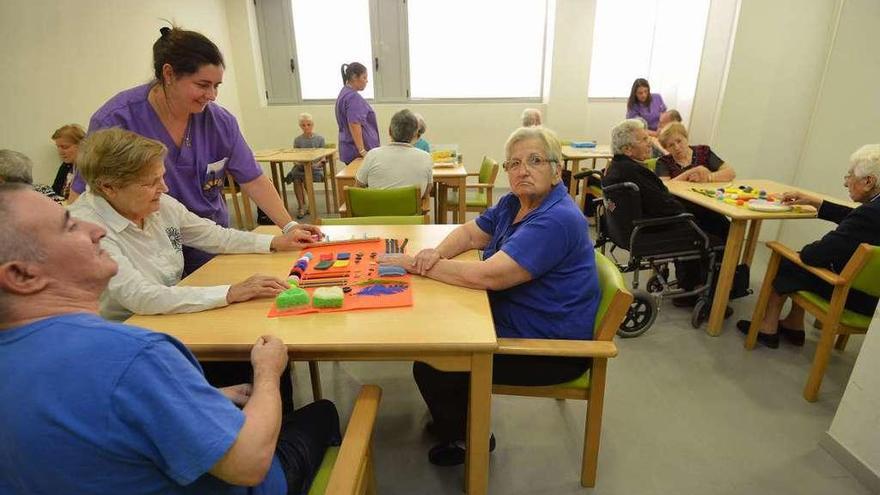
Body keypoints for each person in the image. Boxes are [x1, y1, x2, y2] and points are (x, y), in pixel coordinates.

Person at [0, 183, 341, 494]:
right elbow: (248, 465)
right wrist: (267, 372)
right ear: (21, 275)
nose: (97, 230)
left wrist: (191, 395)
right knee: (322, 412)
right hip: (247, 478)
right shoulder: (133, 354)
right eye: (69, 226)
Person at [380, 126, 600, 466]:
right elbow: (470, 234)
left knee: (434, 363)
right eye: (513, 163)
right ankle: (454, 421)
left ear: (557, 171)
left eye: (535, 160)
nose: (522, 170)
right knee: (436, 337)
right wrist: (434, 255)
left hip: (548, 348)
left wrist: (414, 265)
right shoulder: (515, 202)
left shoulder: (556, 219)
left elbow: (490, 276)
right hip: (518, 318)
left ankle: (470, 440)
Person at [68, 128, 315, 408]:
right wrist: (231, 292)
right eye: (151, 182)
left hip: (169, 323)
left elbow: (214, 235)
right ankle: (264, 440)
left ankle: (273, 433)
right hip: (127, 349)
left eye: (162, 177)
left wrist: (275, 241)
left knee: (262, 348)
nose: (165, 188)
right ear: (108, 187)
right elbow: (140, 296)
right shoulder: (86, 227)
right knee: (256, 362)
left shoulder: (157, 203)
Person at [68, 26, 316, 274]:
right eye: (202, 85)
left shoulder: (219, 122)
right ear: (168, 73)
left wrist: (289, 226)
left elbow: (253, 179)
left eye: (217, 86)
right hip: (146, 254)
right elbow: (83, 199)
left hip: (210, 244)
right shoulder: (116, 120)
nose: (212, 95)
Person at [737, 145, 880, 348]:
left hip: (851, 298)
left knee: (789, 260)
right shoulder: (873, 210)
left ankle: (766, 328)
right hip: (874, 300)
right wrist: (816, 203)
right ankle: (794, 325)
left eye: (850, 175)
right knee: (811, 264)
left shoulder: (868, 215)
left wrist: (803, 252)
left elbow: (813, 255)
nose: (845, 182)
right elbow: (854, 218)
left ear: (868, 181)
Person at [602, 119, 721, 304]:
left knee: (696, 219)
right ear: (627, 149)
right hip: (647, 232)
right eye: (643, 139)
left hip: (627, 231)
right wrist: (688, 212)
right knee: (715, 230)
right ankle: (710, 295)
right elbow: (664, 206)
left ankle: (689, 282)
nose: (650, 141)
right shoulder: (634, 171)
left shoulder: (616, 168)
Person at [355, 109, 433, 200]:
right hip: (410, 213)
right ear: (415, 134)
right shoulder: (425, 157)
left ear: (389, 131)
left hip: (377, 212)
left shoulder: (372, 155)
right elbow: (427, 190)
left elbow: (358, 188)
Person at [656, 122, 736, 183]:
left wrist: (708, 177)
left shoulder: (703, 152)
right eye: (671, 145)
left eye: (679, 141)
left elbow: (730, 172)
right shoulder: (663, 162)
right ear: (666, 149)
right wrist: (693, 171)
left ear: (686, 138)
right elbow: (665, 188)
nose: (677, 147)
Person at [335, 62, 380, 164]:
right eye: (364, 77)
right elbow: (354, 123)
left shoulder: (344, 93)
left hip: (349, 147)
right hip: (356, 153)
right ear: (355, 77)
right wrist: (362, 150)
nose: (366, 81)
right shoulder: (353, 97)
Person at [285, 113, 326, 219]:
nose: (306, 127)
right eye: (303, 125)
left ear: (313, 125)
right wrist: (298, 163)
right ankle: (301, 206)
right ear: (300, 126)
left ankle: (311, 205)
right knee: (295, 176)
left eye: (308, 124)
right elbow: (295, 158)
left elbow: (323, 158)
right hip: (301, 167)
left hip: (315, 168)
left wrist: (316, 164)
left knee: (306, 177)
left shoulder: (320, 139)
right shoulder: (297, 140)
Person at [51, 123, 86, 199]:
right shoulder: (66, 166)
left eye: (65, 147)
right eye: (58, 147)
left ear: (81, 145)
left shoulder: (88, 169)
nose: (60, 152)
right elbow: (55, 191)